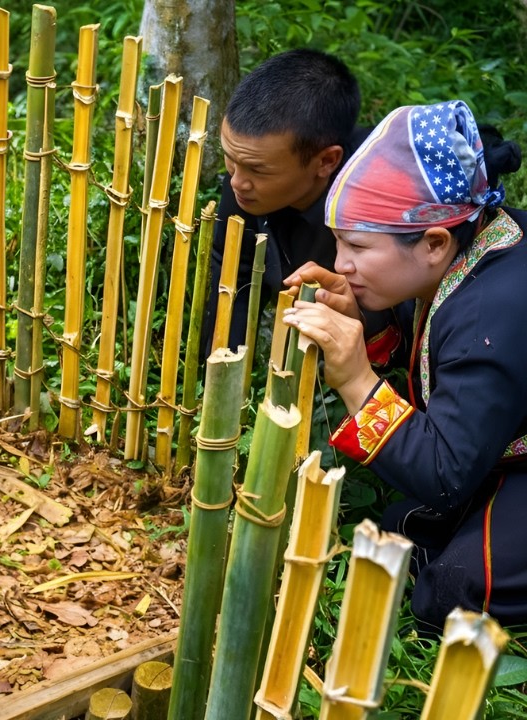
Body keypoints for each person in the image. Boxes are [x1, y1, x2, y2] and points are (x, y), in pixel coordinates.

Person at [284, 100, 527, 630]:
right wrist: (364, 323)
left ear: (435, 242)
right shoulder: (471, 245)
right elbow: (437, 363)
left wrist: (354, 379)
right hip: (501, 447)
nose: (340, 263)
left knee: (456, 591)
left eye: (356, 246)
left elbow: (444, 473)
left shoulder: (495, 308)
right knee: (401, 530)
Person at [203, 49, 399, 357]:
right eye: (231, 157)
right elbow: (231, 271)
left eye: (257, 169)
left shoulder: (379, 210)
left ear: (326, 161)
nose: (237, 182)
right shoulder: (247, 181)